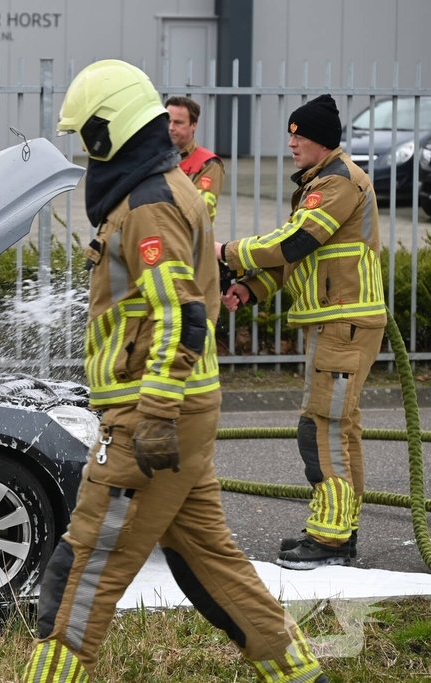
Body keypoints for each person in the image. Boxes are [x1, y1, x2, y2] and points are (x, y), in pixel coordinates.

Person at [23, 60, 329, 683]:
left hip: (151, 417)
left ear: (108, 133)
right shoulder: (162, 187)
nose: (85, 153)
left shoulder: (149, 205)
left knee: (86, 566)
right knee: (211, 565)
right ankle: (300, 673)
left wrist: (153, 415)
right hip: (180, 409)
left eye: (87, 137)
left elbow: (181, 316)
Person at [216, 94, 385, 570]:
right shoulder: (321, 181)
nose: (291, 142)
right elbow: (301, 257)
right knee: (341, 428)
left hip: (344, 322)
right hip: (337, 321)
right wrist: (251, 289)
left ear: (323, 141)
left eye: (299, 135)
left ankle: (329, 541)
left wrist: (226, 251)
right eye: (290, 134)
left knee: (321, 427)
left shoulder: (338, 182)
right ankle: (337, 533)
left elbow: (295, 240)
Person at [166, 95, 224, 224]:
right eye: (168, 121)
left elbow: (199, 213)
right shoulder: (152, 157)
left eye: (178, 122)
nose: (171, 128)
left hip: (190, 241)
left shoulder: (208, 163)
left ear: (193, 125)